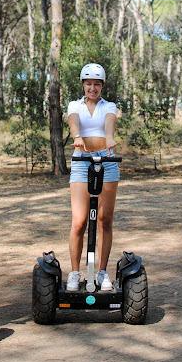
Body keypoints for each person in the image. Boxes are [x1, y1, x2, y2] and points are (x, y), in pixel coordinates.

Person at [66, 63, 120, 291]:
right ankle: (75, 272)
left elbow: (109, 123)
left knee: (104, 220)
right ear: (83, 85)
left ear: (102, 86)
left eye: (97, 84)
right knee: (79, 222)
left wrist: (109, 138)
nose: (93, 88)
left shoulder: (110, 106)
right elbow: (73, 122)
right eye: (89, 83)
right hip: (81, 161)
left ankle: (102, 272)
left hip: (107, 161)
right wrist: (77, 136)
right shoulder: (74, 105)